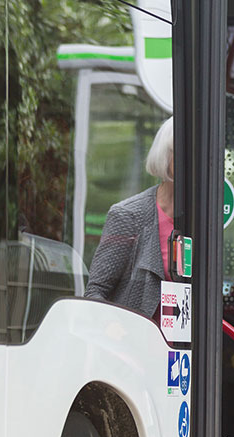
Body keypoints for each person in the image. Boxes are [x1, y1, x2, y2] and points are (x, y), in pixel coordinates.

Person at [85, 116, 174, 316]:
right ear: (166, 157)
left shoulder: (202, 221)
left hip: (186, 344)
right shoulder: (128, 215)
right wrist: (115, 327)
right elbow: (95, 291)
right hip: (134, 341)